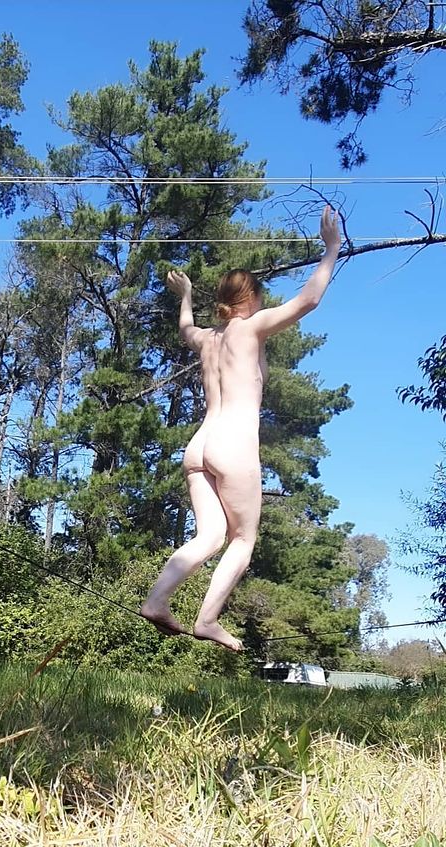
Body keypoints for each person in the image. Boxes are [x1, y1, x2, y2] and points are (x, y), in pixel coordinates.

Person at [141, 205, 342, 651]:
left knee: (209, 536)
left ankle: (157, 601)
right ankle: (207, 619)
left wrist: (185, 295)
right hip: (233, 445)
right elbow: (308, 300)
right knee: (242, 539)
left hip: (199, 447)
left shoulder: (207, 339)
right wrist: (330, 249)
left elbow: (186, 328)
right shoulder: (250, 328)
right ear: (250, 298)